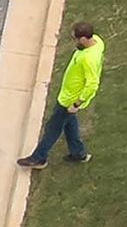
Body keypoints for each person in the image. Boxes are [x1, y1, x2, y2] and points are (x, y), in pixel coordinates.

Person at [18, 23, 104, 169]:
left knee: (53, 128)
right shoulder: (97, 41)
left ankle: (39, 158)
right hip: (68, 96)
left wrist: (76, 104)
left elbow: (92, 84)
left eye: (75, 39)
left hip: (70, 100)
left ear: (83, 38)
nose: (74, 41)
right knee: (70, 124)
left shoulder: (89, 59)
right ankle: (79, 153)